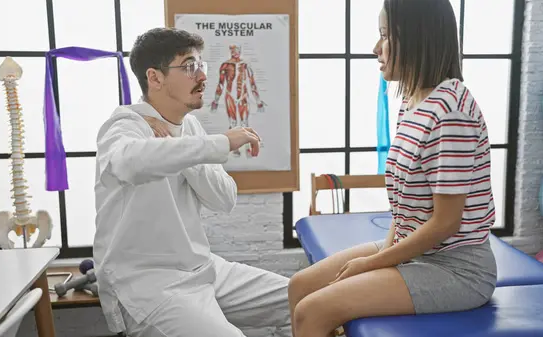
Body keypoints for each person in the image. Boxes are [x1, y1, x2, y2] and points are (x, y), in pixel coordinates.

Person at [287, 1, 497, 336]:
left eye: (385, 36)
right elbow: (404, 209)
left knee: (312, 311)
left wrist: (372, 264)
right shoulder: (412, 102)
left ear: (417, 38)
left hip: (457, 269)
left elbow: (446, 222)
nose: (375, 48)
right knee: (301, 286)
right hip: (416, 252)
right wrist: (386, 254)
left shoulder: (450, 112)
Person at [93, 27, 291, 337]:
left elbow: (224, 199)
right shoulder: (124, 125)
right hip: (147, 284)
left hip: (202, 269)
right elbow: (128, 163)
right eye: (189, 66)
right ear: (155, 78)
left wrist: (182, 141)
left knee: (306, 296)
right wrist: (220, 142)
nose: (202, 76)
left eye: (201, 65)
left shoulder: (189, 127)